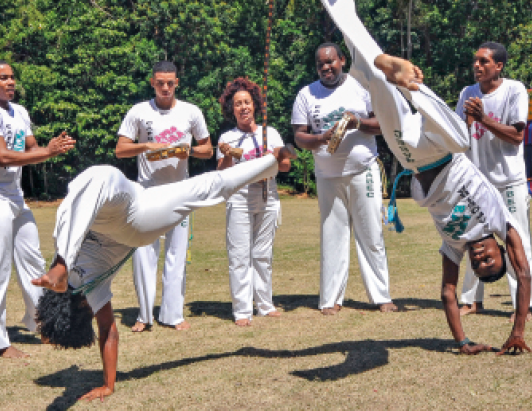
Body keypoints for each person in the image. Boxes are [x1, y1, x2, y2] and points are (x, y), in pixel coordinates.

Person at [318, 0, 531, 354]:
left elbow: (449, 293)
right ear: (499, 249)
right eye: (491, 261)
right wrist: (517, 330)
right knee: (462, 140)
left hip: (412, 155)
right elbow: (524, 271)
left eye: (481, 266)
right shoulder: (502, 223)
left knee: (368, 67)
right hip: (445, 149)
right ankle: (412, 83)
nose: (484, 259)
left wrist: (463, 341)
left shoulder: (455, 246)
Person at [32, 146, 297, 401]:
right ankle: (59, 265)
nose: (93, 314)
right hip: (132, 220)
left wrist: (108, 385)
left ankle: (272, 161)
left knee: (206, 185)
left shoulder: (86, 291)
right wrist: (106, 384)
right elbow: (107, 331)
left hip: (132, 197)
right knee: (95, 184)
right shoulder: (86, 288)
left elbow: (106, 330)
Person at [0, 59, 76, 358]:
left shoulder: (20, 112)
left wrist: (49, 147)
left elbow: (32, 150)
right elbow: (2, 156)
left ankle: (39, 324)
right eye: (3, 78)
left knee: (32, 260)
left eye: (12, 77)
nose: (10, 82)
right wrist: (47, 152)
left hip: (14, 196)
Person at [291, 41, 398, 316]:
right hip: (328, 176)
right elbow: (299, 136)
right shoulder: (306, 94)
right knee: (332, 236)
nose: (326, 68)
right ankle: (331, 299)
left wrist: (358, 123)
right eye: (320, 64)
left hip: (363, 170)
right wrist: (319, 138)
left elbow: (384, 124)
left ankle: (381, 295)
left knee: (371, 233)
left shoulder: (361, 86)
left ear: (341, 60)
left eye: (331, 62)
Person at [115, 60, 213, 332]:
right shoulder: (138, 112)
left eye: (170, 83)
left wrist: (189, 151)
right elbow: (120, 149)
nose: (165, 88)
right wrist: (146, 145)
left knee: (176, 254)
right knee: (143, 253)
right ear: (152, 82)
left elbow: (208, 149)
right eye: (160, 83)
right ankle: (144, 315)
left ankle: (173, 314)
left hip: (180, 191)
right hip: (146, 190)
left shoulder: (191, 112)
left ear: (177, 82)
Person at [455, 43, 532, 320]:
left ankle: (521, 304)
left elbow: (516, 136)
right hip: (476, 183)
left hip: (508, 181)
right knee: (474, 240)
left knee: (517, 241)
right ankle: (470, 300)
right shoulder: (467, 93)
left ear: (498, 66)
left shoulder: (514, 90)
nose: (477, 66)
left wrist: (482, 118)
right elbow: (458, 139)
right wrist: (467, 122)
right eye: (475, 61)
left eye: (484, 61)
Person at [215, 78, 292, 326]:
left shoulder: (270, 134)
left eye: (247, 102)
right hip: (239, 199)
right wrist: (227, 155)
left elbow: (286, 165)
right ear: (232, 108)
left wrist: (274, 157)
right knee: (239, 256)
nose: (243, 107)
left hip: (268, 197)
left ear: (255, 105)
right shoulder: (227, 137)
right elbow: (222, 173)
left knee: (262, 254)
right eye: (238, 104)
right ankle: (242, 310)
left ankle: (265, 304)